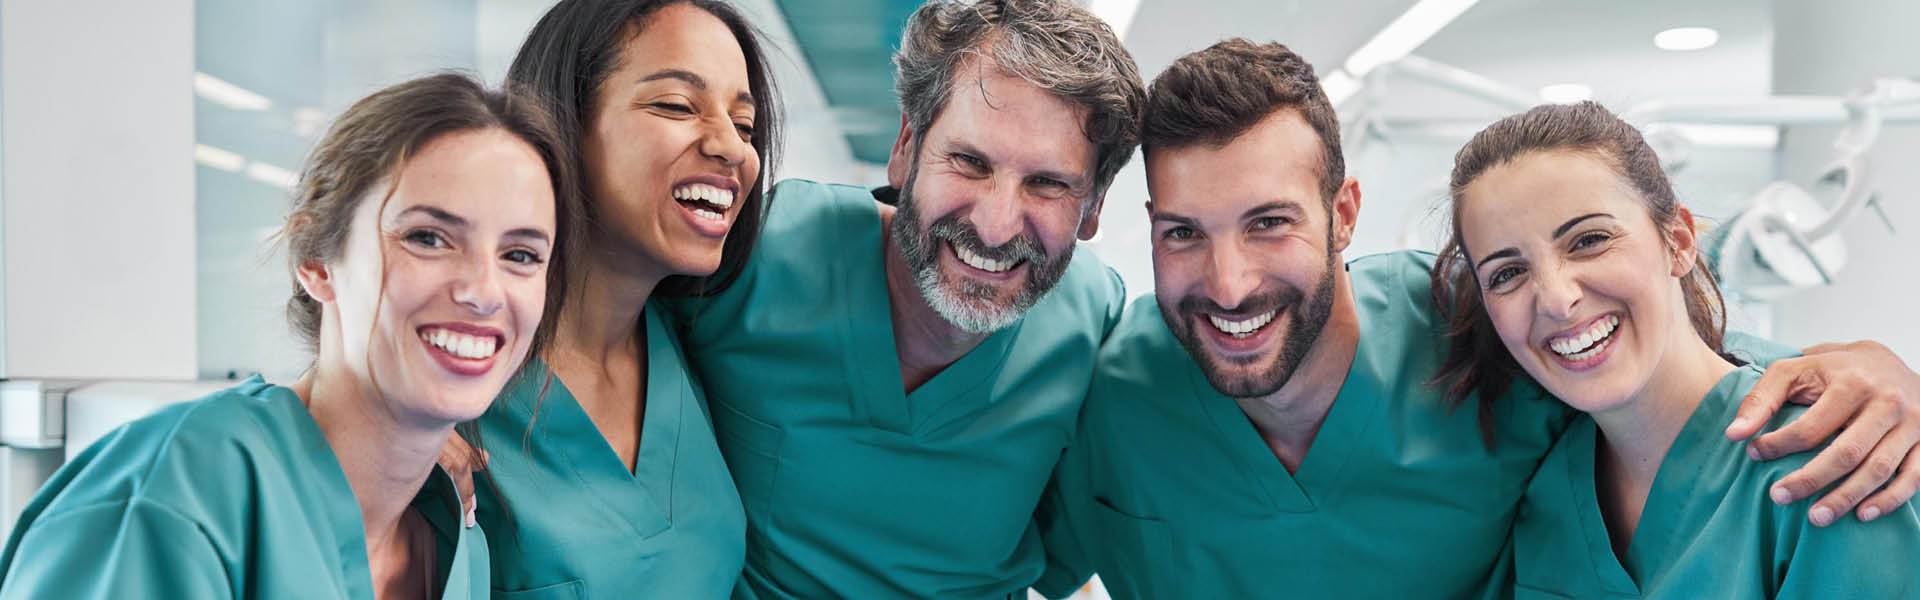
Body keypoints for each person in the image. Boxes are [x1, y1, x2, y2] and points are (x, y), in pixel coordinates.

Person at [1038, 39, 1920, 599]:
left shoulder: (1470, 338)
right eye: (1183, 234)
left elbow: (1676, 380)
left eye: (1271, 223)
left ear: (1345, 214)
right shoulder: (1110, 383)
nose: (1228, 284)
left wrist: (1853, 368)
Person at [0, 73, 575, 599]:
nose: (484, 290)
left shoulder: (459, 540)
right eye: (427, 238)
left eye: (521, 255)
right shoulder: (177, 496)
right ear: (318, 262)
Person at [663, 0, 1143, 596]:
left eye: (1048, 183)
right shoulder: (750, 260)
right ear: (907, 148)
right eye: (969, 162)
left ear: (1093, 207)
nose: (995, 227)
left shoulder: (1092, 327)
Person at [1440, 101, 1920, 597]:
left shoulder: (1835, 462)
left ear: (1680, 240)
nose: (1559, 300)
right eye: (1508, 273)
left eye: (1589, 240)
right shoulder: (1542, 489)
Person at [462, 1, 781, 598]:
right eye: (677, 106)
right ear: (563, 122)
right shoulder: (454, 387)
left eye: (745, 125)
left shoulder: (698, 348)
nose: (733, 149)